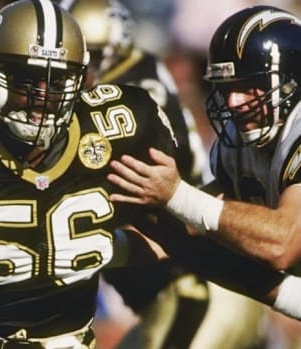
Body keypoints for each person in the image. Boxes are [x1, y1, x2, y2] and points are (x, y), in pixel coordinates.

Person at [0, 1, 301, 348]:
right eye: (26, 78)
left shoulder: (122, 128)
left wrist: (166, 205)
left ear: (83, 81)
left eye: (56, 82)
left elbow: (191, 240)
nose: (41, 97)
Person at [63, 1, 268, 348]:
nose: (85, 68)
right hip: (188, 286)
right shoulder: (133, 75)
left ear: (116, 50)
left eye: (94, 56)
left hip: (198, 287)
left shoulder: (127, 96)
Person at [106, 1, 301, 327]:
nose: (234, 102)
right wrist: (94, 250)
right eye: (226, 89)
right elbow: (187, 229)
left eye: (247, 87)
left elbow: (283, 243)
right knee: (198, 253)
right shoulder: (240, 139)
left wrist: (175, 194)